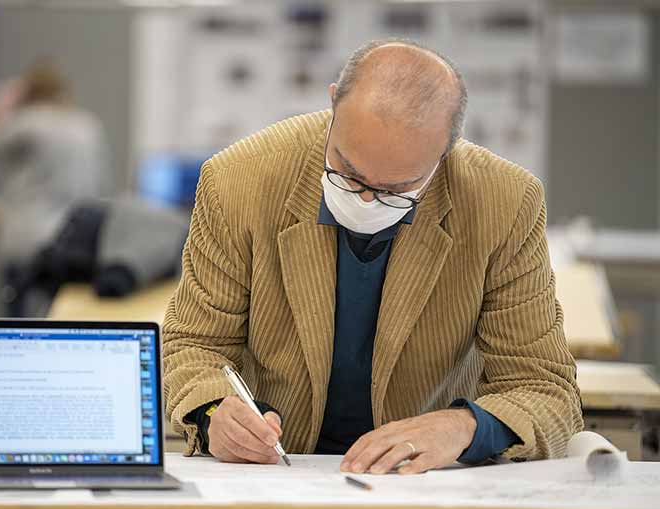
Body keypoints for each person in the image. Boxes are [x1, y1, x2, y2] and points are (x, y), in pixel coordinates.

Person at [163, 39, 582, 475]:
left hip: (424, 478)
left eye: (395, 189)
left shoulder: (505, 203)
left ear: (446, 151)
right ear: (332, 104)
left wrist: (462, 427)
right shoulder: (238, 182)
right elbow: (193, 345)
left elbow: (544, 389)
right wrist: (215, 412)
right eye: (347, 170)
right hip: (275, 469)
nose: (365, 200)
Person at [0, 60, 113, 294]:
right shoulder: (88, 126)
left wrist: (2, 105)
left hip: (28, 242)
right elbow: (102, 184)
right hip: (76, 244)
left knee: (21, 325)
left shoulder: (29, 123)